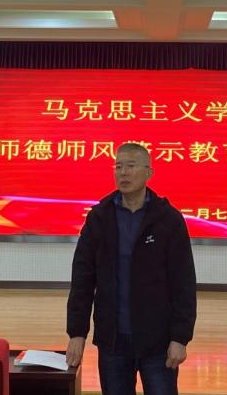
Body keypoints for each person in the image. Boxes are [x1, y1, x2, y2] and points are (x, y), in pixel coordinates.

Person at [66, 142, 197, 395]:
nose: (123, 173)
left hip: (158, 342)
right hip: (113, 340)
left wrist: (180, 337)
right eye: (118, 167)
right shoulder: (100, 217)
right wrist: (77, 332)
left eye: (131, 166)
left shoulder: (168, 219)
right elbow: (82, 279)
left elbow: (184, 283)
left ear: (149, 172)